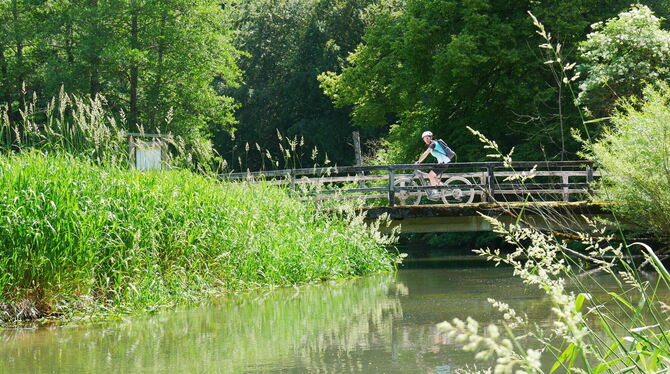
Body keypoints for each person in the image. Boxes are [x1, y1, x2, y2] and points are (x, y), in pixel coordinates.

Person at [414, 130, 451, 200]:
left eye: (427, 138)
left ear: (431, 137)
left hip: (444, 163)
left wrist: (419, 161)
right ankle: (446, 188)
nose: (426, 140)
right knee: (432, 177)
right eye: (425, 139)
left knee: (431, 175)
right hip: (442, 163)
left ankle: (435, 192)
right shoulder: (433, 144)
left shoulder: (433, 144)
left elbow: (426, 153)